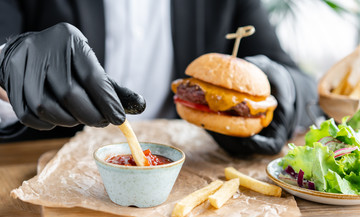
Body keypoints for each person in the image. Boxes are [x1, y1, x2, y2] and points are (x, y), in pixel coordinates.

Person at [0, 0, 321, 155]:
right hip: (40, 160)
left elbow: (301, 83)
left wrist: (284, 86)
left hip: (185, 166)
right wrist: (6, 57)